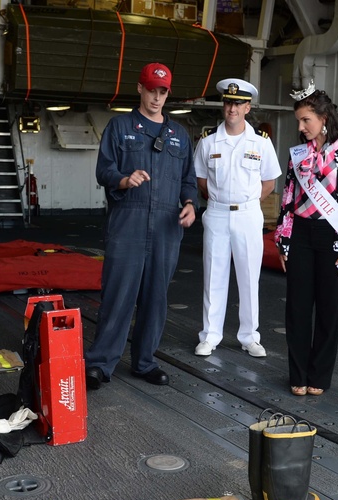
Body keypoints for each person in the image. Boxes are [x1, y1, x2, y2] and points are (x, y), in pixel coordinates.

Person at [85, 62, 198, 390]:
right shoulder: (119, 127)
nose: (157, 97)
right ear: (140, 88)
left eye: (163, 92)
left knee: (155, 297)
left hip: (166, 226)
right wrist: (123, 179)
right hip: (128, 222)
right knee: (118, 293)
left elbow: (188, 180)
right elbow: (103, 169)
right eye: (152, 90)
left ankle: (144, 361)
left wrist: (190, 205)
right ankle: (101, 363)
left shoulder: (179, 136)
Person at [274, 87, 338, 396]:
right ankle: (297, 374)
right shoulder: (297, 154)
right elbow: (287, 199)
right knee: (297, 309)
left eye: (306, 120)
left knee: (329, 309)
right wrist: (283, 240)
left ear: (324, 119)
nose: (301, 127)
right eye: (299, 121)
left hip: (334, 238)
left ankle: (319, 377)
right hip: (300, 234)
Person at [193, 78, 281, 359]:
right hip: (217, 212)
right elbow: (201, 179)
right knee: (213, 276)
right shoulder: (208, 142)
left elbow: (269, 181)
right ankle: (210, 336)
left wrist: (247, 201)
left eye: (238, 103)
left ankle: (249, 337)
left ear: (248, 107)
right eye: (229, 102)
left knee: (248, 277)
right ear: (224, 105)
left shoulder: (261, 143)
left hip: (247, 214)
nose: (232, 108)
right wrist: (221, 199)